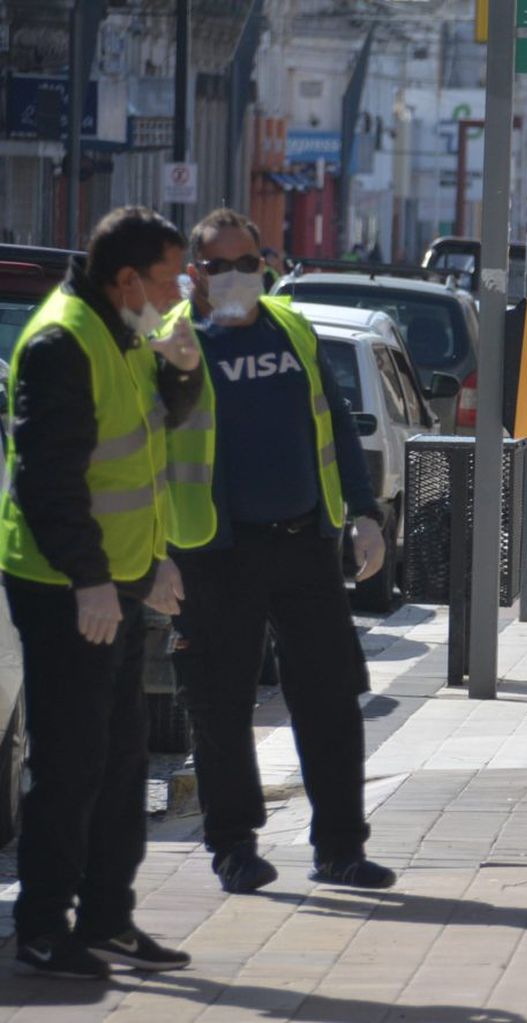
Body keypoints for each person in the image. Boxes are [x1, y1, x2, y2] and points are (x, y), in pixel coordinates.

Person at [164, 208, 395, 894]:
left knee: (330, 699)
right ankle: (234, 846)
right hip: (215, 551)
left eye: (246, 262)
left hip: (303, 544)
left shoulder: (291, 327)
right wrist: (153, 556)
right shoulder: (175, 344)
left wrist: (363, 512)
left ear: (265, 264)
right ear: (195, 275)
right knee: (220, 705)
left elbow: (335, 423)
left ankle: (340, 848)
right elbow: (141, 452)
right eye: (218, 265)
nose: (235, 276)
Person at [0, 206, 202, 977]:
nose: (177, 291)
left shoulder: (122, 332)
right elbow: (51, 482)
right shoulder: (62, 341)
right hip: (63, 586)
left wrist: (180, 364)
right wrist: (92, 578)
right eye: (167, 277)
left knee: (122, 761)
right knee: (72, 762)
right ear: (126, 280)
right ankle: (45, 926)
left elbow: (151, 434)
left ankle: (109, 917)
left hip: (115, 578)